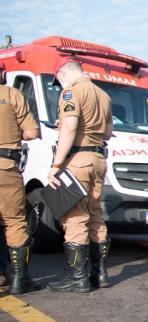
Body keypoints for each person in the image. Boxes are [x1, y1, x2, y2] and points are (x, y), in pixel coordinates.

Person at [47, 59, 113, 293]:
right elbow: (107, 133)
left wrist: (56, 165)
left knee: (75, 216)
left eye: (59, 79)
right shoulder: (103, 95)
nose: (60, 83)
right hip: (97, 160)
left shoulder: (70, 92)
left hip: (78, 161)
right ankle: (100, 274)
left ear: (62, 72)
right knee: (95, 215)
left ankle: (78, 278)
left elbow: (71, 128)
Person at [0, 67, 40, 295]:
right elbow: (32, 133)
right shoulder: (12, 94)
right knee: (14, 222)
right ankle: (18, 280)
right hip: (5, 166)